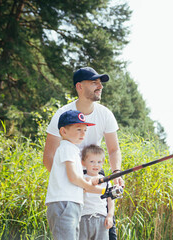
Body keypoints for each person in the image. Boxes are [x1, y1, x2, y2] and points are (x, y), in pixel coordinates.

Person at [43, 67, 123, 239]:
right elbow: (49, 156)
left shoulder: (105, 114)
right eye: (94, 82)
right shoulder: (62, 115)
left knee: (109, 233)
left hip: (94, 174)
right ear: (79, 87)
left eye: (100, 83)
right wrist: (71, 183)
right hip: (72, 183)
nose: (100, 86)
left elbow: (114, 149)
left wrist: (116, 172)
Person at [45, 110, 106, 240]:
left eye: (85, 130)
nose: (83, 133)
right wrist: (92, 187)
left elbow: (77, 180)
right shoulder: (67, 148)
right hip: (65, 204)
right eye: (78, 129)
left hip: (70, 203)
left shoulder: (72, 149)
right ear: (63, 131)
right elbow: (74, 177)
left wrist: (97, 186)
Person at [79, 144, 115, 240]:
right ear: (83, 162)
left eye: (99, 162)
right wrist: (90, 182)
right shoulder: (81, 179)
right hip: (83, 218)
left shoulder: (106, 181)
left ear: (103, 163)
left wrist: (110, 216)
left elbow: (110, 201)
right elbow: (83, 189)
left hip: (101, 219)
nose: (96, 165)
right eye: (92, 161)